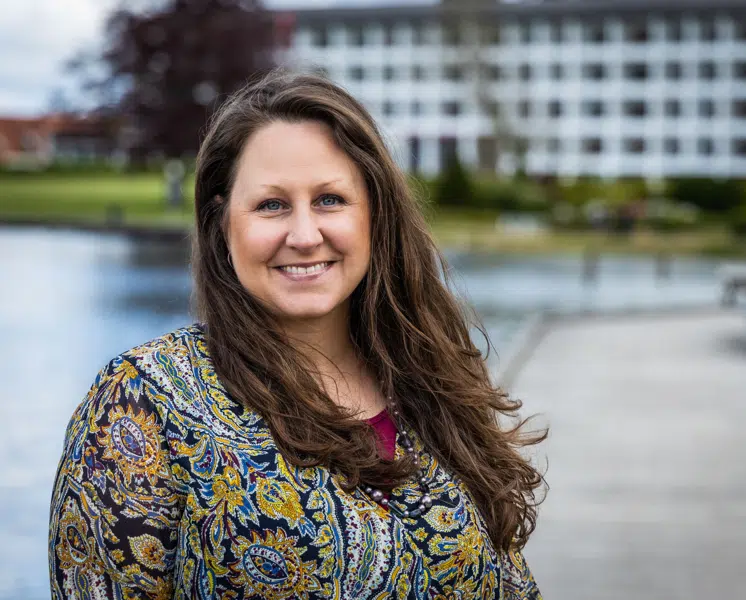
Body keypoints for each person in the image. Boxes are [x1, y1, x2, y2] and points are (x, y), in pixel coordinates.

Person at [49, 70, 547, 599]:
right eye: (272, 205)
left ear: (375, 215)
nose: (305, 235)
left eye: (330, 199)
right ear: (222, 223)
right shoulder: (143, 405)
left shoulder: (433, 383)